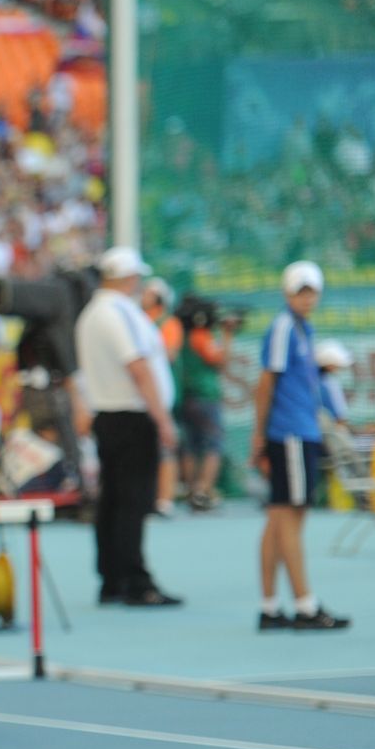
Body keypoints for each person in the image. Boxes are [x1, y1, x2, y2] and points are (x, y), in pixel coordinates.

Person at [73, 247, 181, 607]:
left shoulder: (93, 313)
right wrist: (162, 419)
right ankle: (135, 579)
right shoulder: (116, 314)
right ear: (130, 278)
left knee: (114, 499)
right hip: (131, 415)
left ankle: (113, 576)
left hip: (109, 414)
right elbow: (138, 366)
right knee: (133, 500)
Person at [251, 261, 350, 631]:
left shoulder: (302, 329)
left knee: (279, 518)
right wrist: (260, 435)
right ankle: (305, 606)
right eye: (299, 291)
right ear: (287, 293)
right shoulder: (283, 328)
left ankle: (269, 606)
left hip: (299, 433)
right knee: (290, 516)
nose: (306, 298)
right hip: (290, 434)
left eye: (311, 291)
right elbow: (265, 382)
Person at [175, 299, 234, 512]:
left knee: (191, 446)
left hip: (187, 396)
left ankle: (192, 489)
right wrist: (227, 336)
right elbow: (220, 360)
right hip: (205, 396)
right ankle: (203, 491)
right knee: (213, 445)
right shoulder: (200, 336)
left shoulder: (180, 336)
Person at [141, 278, 182, 516]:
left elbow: (169, 354)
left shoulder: (168, 322)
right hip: (142, 395)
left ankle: (165, 498)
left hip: (162, 394)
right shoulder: (140, 320)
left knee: (166, 447)